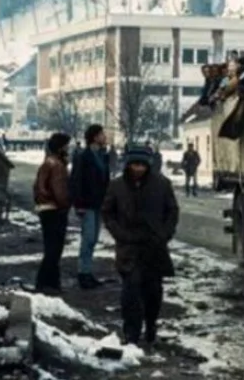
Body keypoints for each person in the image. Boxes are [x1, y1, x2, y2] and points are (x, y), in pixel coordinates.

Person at [101, 150, 179, 346]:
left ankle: (151, 325)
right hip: (129, 248)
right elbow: (108, 212)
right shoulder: (117, 185)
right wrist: (120, 234)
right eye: (135, 165)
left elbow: (172, 210)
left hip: (154, 247)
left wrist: (165, 233)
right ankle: (131, 334)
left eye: (142, 165)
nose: (138, 169)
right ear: (128, 164)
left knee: (153, 291)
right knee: (131, 291)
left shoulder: (161, 184)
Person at [69, 124, 111, 289]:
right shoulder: (84, 157)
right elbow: (76, 180)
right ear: (94, 137)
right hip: (86, 204)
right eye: (101, 134)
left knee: (93, 240)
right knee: (88, 239)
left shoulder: (102, 155)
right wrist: (78, 204)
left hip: (98, 203)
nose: (104, 136)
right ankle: (83, 273)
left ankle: (87, 272)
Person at [33, 132, 72, 296]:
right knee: (54, 249)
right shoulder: (56, 165)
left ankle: (50, 283)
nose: (69, 149)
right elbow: (60, 192)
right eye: (66, 146)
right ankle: (46, 283)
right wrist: (66, 204)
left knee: (52, 248)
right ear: (60, 147)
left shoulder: (49, 162)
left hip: (46, 209)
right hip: (54, 210)